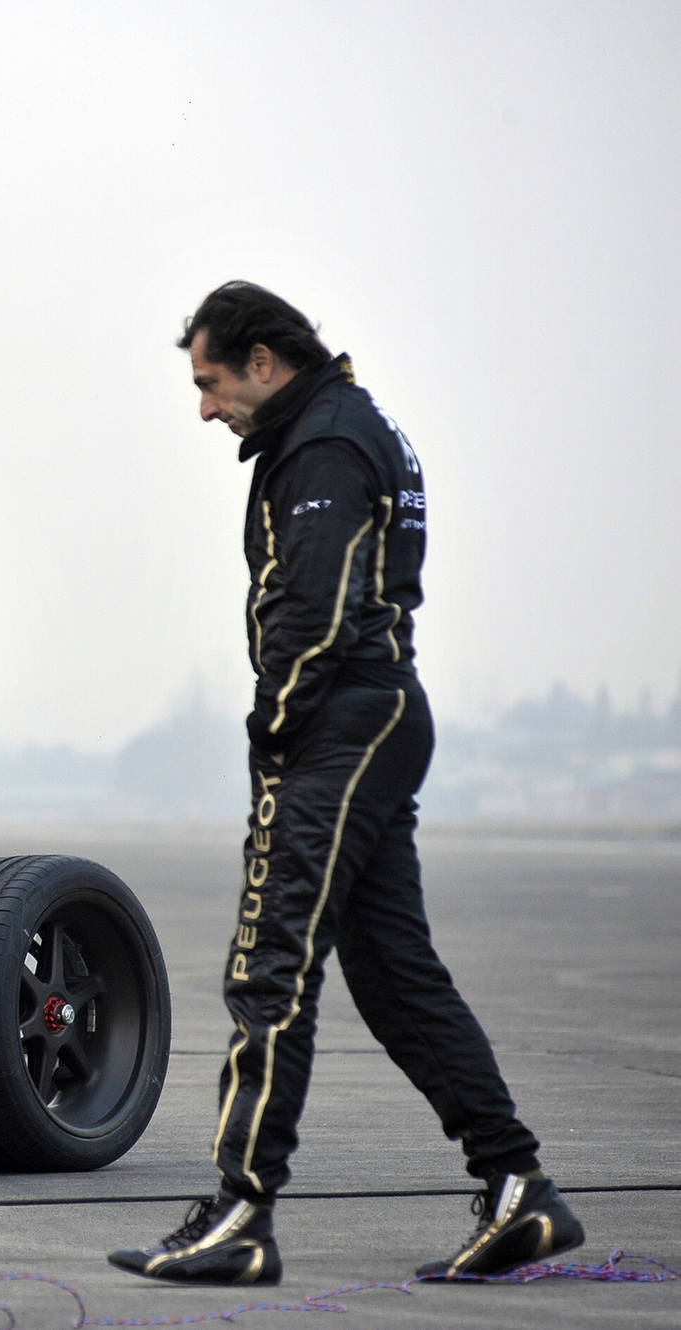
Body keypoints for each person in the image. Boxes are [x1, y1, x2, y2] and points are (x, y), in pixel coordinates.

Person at [108, 283, 581, 1285]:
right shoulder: (351, 422)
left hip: (338, 725)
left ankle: (240, 1213)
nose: (205, 408)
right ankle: (518, 1189)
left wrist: (273, 729)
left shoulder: (321, 442)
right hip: (377, 716)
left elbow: (314, 613)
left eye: (209, 382)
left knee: (268, 968)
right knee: (393, 972)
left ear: (263, 361)